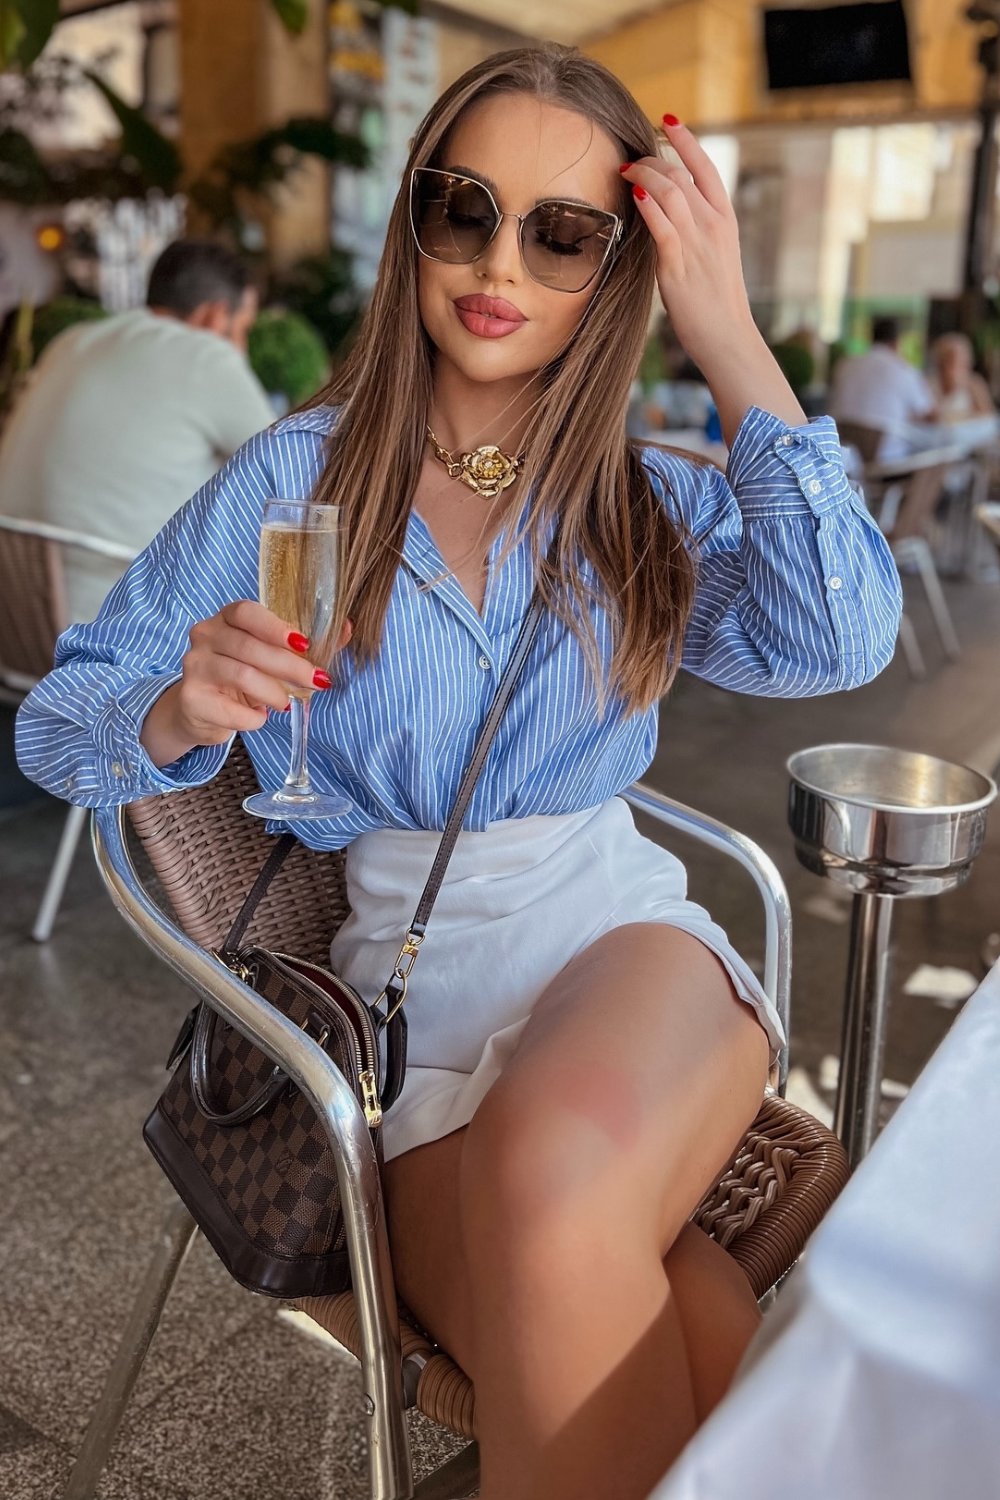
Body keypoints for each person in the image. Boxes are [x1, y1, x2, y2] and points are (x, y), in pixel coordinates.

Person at [16, 46, 901, 1500]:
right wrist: (178, 708)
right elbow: (63, 721)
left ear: (620, 267)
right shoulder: (294, 479)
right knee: (681, 1322)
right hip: (411, 1018)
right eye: (462, 209)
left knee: (557, 1189)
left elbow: (839, 637)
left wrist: (728, 330)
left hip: (621, 947)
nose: (499, 263)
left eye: (563, 233)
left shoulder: (646, 499)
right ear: (411, 223)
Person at [0, 238, 274, 622]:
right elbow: (292, 473)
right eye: (243, 328)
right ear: (215, 316)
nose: (242, 345)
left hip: (14, 630)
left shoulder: (70, 342)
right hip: (116, 638)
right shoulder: (207, 356)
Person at [828, 315, 937, 462]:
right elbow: (930, 415)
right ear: (897, 342)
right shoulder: (902, 369)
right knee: (940, 456)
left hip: (843, 453)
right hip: (886, 461)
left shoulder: (845, 365)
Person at [929, 332, 997, 420]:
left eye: (965, 362)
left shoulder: (975, 384)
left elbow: (990, 418)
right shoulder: (931, 385)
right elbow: (929, 416)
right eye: (957, 362)